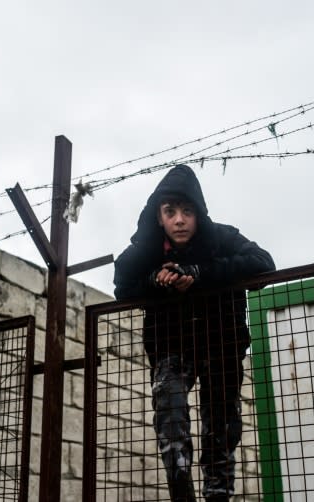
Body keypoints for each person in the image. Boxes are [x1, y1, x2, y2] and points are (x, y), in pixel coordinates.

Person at [114, 164, 275, 502]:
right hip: (171, 347)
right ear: (159, 217)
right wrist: (156, 281)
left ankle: (218, 494)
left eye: (187, 211)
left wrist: (200, 273)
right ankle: (180, 485)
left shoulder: (223, 238)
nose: (179, 220)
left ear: (199, 214)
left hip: (222, 347)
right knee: (170, 414)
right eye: (170, 212)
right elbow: (123, 286)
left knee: (221, 427)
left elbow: (263, 262)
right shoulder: (147, 250)